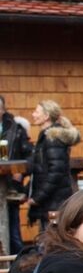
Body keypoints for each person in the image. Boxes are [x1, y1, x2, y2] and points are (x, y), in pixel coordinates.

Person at [27, 99, 80, 230]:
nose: (33, 114)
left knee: (52, 242)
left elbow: (55, 173)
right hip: (50, 202)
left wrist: (37, 198)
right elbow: (40, 171)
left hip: (55, 203)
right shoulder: (46, 137)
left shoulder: (52, 139)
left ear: (46, 116)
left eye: (36, 111)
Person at [0, 94, 33, 253]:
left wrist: (21, 171)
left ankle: (17, 267)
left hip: (10, 186)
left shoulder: (15, 128)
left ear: (3, 109)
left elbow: (30, 156)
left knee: (12, 231)